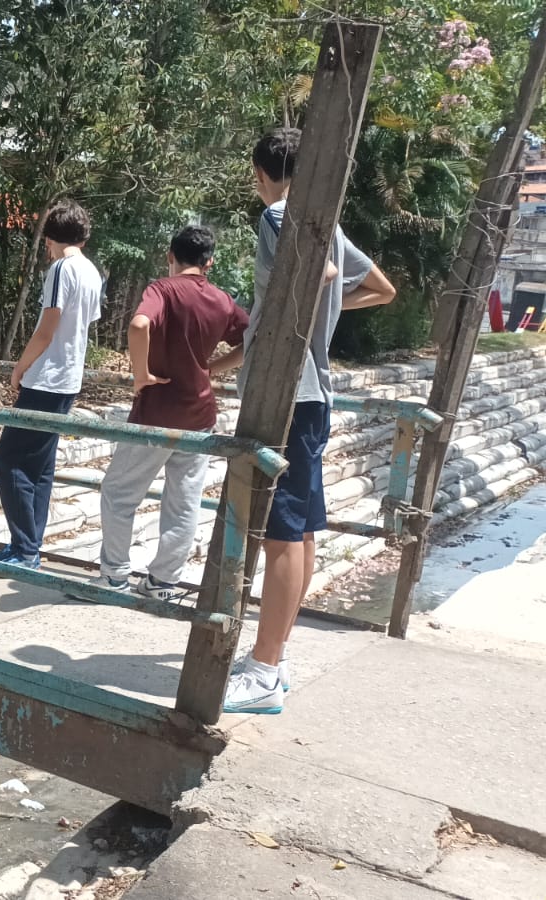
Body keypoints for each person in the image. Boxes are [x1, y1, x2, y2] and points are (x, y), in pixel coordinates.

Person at [223, 128, 396, 715]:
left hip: (287, 395)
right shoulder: (330, 224)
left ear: (262, 173)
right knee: (299, 532)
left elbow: (318, 275)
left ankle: (264, 672)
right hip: (315, 394)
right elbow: (380, 288)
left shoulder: (280, 214)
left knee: (279, 531)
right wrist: (329, 302)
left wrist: (318, 290)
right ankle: (276, 655)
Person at [94, 226, 248, 601]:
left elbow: (139, 325)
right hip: (200, 414)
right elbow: (252, 341)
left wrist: (140, 374)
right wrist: (212, 369)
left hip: (156, 411)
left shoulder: (162, 290)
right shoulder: (222, 300)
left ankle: (114, 575)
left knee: (118, 492)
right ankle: (163, 582)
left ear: (170, 256)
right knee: (184, 502)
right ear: (210, 263)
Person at [0, 200, 104, 570]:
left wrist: (20, 367)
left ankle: (25, 549)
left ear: (51, 237)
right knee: (40, 465)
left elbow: (47, 329)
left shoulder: (61, 269)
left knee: (8, 458)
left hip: (47, 378)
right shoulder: (91, 271)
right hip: (68, 379)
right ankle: (27, 545)